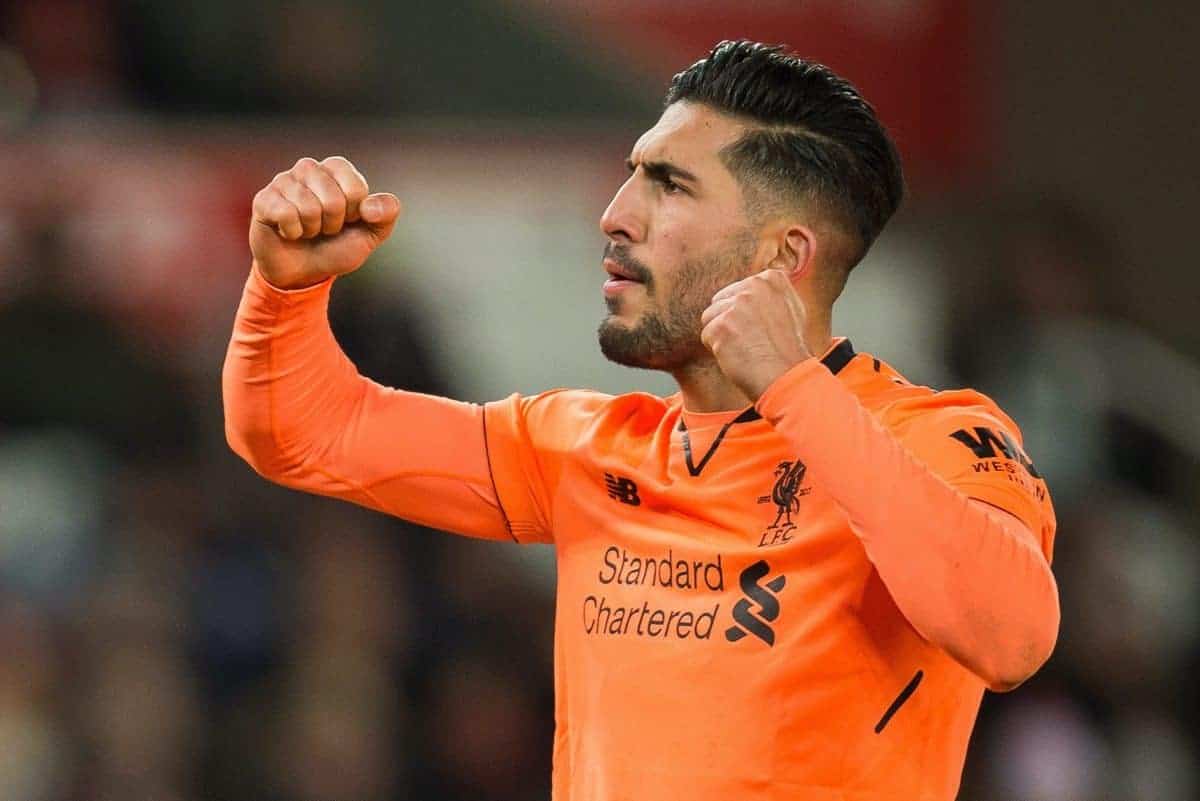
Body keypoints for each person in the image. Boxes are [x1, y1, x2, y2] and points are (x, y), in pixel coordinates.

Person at [223, 40, 1059, 801]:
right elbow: (303, 430)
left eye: (670, 185)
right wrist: (286, 293)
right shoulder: (583, 449)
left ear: (782, 258)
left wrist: (794, 389)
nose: (617, 214)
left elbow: (1011, 635)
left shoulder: (931, 435)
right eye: (634, 173)